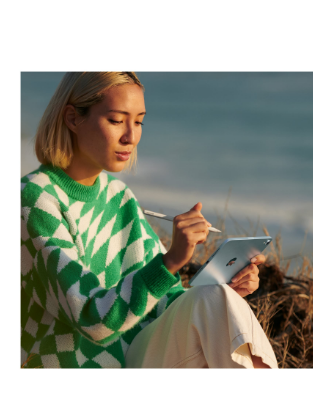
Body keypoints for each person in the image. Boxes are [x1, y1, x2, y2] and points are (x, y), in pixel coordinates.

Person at [21, 71, 278, 369]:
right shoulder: (35, 198)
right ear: (73, 118)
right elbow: (93, 319)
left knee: (214, 298)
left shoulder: (119, 196)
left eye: (139, 122)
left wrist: (225, 292)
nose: (130, 137)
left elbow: (164, 302)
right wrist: (171, 261)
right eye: (116, 120)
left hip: (133, 358)